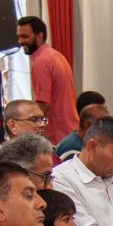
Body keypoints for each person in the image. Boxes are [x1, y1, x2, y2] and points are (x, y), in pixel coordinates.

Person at [16, 15, 78, 143]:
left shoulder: (41, 62)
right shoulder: (56, 56)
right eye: (19, 36)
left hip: (57, 134)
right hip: (69, 129)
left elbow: (43, 105)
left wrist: (30, 131)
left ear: (39, 36)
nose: (20, 41)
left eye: (25, 36)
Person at [56, 93, 109, 157]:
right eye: (104, 124)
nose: (108, 129)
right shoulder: (71, 149)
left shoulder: (87, 143)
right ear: (88, 124)